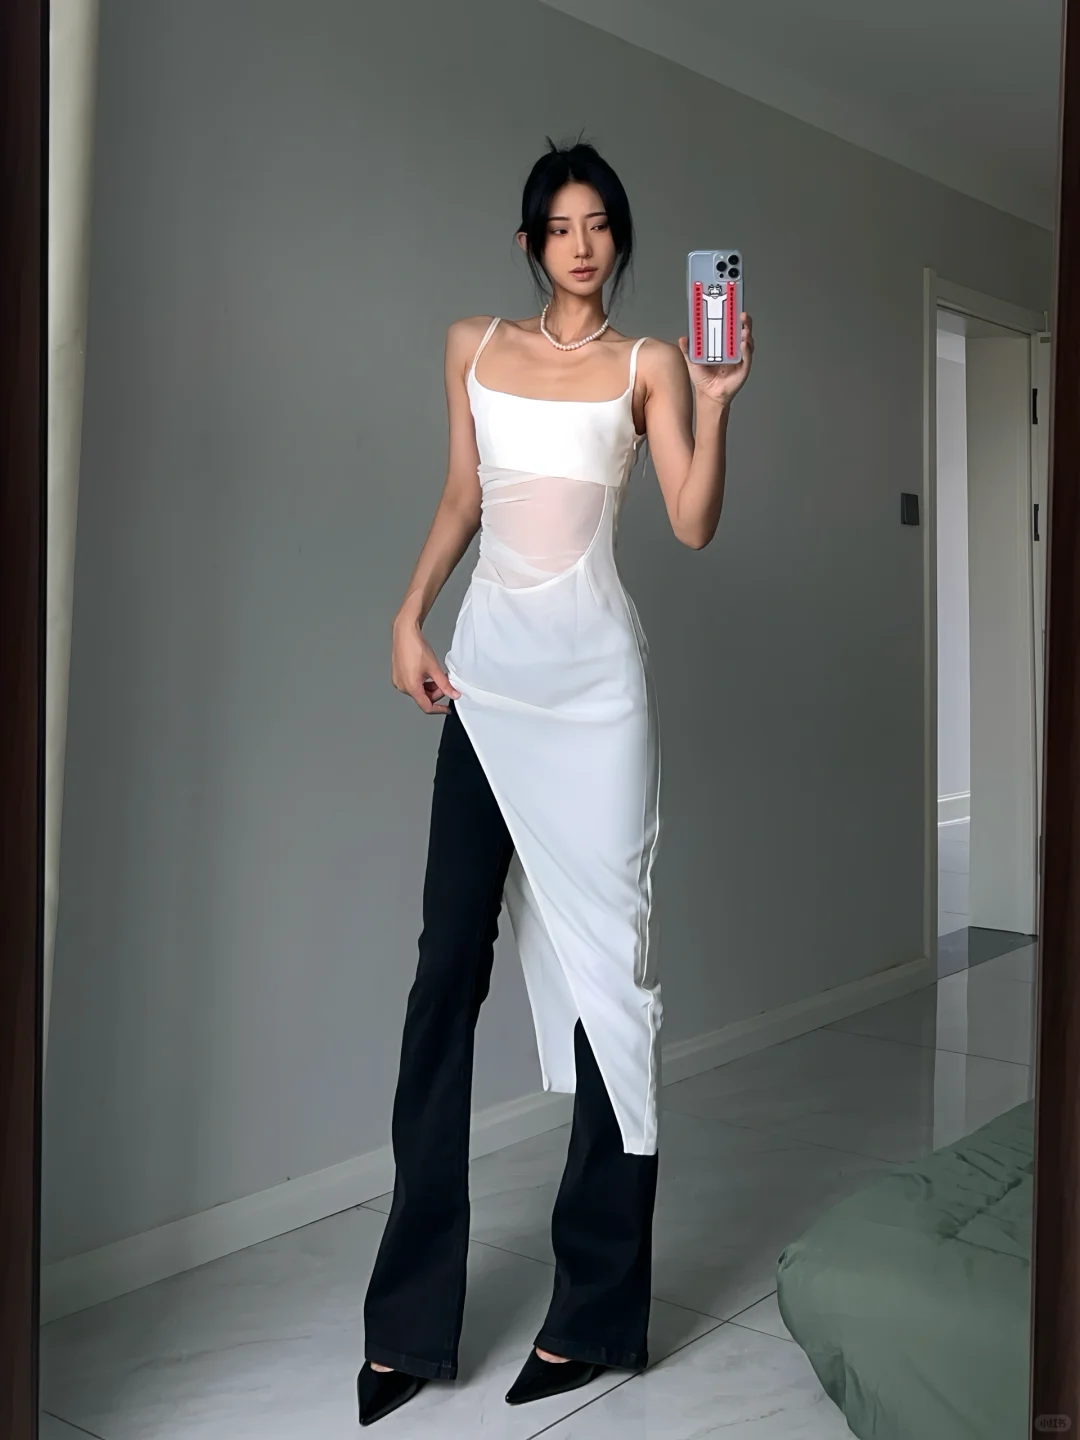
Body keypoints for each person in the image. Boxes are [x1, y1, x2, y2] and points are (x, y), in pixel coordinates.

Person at [357, 136, 754, 1427]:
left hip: (597, 704)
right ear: (531, 242)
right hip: (486, 689)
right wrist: (408, 617)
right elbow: (463, 496)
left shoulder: (650, 365)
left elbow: (691, 522)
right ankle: (407, 1324)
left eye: (600, 224)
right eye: (562, 226)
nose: (584, 245)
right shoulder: (472, 346)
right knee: (443, 981)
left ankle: (592, 1316)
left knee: (608, 987)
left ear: (617, 239)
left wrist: (717, 400)